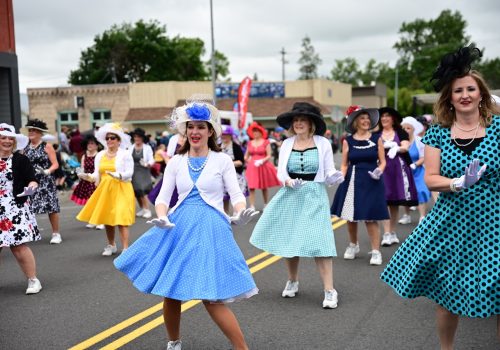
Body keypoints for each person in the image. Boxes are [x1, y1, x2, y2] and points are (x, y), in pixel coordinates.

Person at [381, 45, 500, 350]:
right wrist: (458, 183)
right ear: (449, 97)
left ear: (481, 93)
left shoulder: (498, 128)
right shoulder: (437, 133)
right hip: (451, 222)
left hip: (494, 221)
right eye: (458, 90)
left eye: (471, 89)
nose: (465, 95)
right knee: (446, 295)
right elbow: (431, 178)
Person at [114, 100, 259, 350]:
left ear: (210, 131)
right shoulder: (177, 162)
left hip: (211, 226)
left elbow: (235, 194)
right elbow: (162, 198)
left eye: (201, 127)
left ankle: (241, 348)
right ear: (185, 130)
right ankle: (174, 341)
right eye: (191, 127)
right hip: (178, 225)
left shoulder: (222, 160)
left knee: (211, 296)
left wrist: (239, 211)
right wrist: (162, 215)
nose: (195, 132)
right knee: (171, 291)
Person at [250, 102, 344, 308]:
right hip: (291, 194)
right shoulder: (286, 143)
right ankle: (292, 280)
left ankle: (329, 290)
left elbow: (328, 170)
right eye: (296, 120)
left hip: (314, 195)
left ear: (311, 123)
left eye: (303, 120)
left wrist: (334, 177)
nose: (299, 123)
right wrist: (288, 181)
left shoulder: (322, 142)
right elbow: (281, 171)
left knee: (321, 243)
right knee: (290, 240)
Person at [330, 106, 389, 265]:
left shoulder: (377, 138)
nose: (366, 121)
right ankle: (353, 245)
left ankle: (376, 251)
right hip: (352, 179)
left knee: (370, 217)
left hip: (372, 179)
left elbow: (383, 162)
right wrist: (339, 176)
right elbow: (344, 164)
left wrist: (379, 171)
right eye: (362, 118)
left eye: (367, 118)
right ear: (355, 121)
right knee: (351, 217)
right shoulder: (347, 141)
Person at [76, 123, 135, 256]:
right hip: (105, 189)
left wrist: (119, 175)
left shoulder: (125, 154)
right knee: (108, 219)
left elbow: (130, 173)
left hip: (122, 187)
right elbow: (96, 174)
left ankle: (126, 248)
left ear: (119, 140)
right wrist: (86, 176)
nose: (109, 140)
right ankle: (111, 245)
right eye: (107, 138)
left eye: (113, 138)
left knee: (121, 218)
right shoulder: (101, 154)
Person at [0, 123, 42, 294]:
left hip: (15, 207)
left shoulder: (20, 159)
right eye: (3, 138)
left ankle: (33, 280)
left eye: (11, 138)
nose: (7, 141)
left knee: (18, 246)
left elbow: (32, 180)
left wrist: (30, 188)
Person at [376, 107, 418, 246]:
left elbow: (406, 146)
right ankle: (386, 233)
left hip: (397, 170)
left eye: (387, 116)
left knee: (394, 202)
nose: (384, 118)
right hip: (382, 169)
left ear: (393, 119)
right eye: (382, 116)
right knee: (383, 201)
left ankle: (392, 232)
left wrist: (396, 147)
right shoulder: (376, 134)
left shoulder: (400, 132)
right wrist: (383, 147)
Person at [23, 119, 62, 244]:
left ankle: (56, 233)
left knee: (51, 207)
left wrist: (47, 171)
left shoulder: (47, 146)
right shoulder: (25, 147)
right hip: (30, 180)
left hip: (46, 180)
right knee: (28, 206)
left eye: (34, 130)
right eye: (30, 130)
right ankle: (30, 231)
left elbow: (55, 164)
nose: (31, 132)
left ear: (40, 133)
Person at [399, 117, 431, 223]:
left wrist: (415, 164)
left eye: (408, 128)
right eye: (404, 128)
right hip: (404, 171)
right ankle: (406, 215)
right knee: (406, 192)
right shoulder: (399, 141)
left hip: (418, 170)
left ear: (413, 129)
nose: (406, 130)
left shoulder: (419, 141)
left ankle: (422, 216)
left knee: (421, 191)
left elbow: (423, 157)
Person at [244, 121, 281, 210]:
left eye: (257, 131)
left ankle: (265, 204)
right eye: (254, 131)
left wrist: (262, 160)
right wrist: (248, 160)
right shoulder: (250, 143)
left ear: (261, 132)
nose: (255, 133)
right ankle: (252, 205)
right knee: (251, 186)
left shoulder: (265, 142)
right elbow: (246, 156)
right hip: (252, 166)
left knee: (263, 186)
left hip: (263, 165)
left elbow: (269, 155)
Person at [71, 135, 104, 230]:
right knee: (89, 202)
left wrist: (98, 182)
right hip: (86, 181)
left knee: (98, 202)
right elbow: (82, 168)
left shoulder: (99, 156)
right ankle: (92, 220)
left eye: (92, 143)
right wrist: (80, 174)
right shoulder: (84, 156)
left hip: (96, 180)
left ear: (97, 145)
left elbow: (100, 170)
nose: (90, 145)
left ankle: (100, 221)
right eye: (88, 143)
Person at [220, 124, 248, 214]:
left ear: (230, 136)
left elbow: (241, 162)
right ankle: (225, 214)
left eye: (226, 134)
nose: (223, 136)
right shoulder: (217, 146)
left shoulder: (236, 147)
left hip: (236, 175)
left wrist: (229, 164)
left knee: (235, 194)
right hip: (221, 175)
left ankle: (237, 213)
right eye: (222, 134)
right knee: (224, 197)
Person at [129, 128, 155, 219]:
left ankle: (147, 209)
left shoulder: (147, 148)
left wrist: (148, 164)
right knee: (136, 191)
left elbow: (152, 159)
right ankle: (142, 208)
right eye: (135, 137)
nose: (137, 139)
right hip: (133, 171)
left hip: (143, 170)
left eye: (139, 137)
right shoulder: (131, 147)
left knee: (142, 189)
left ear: (142, 138)